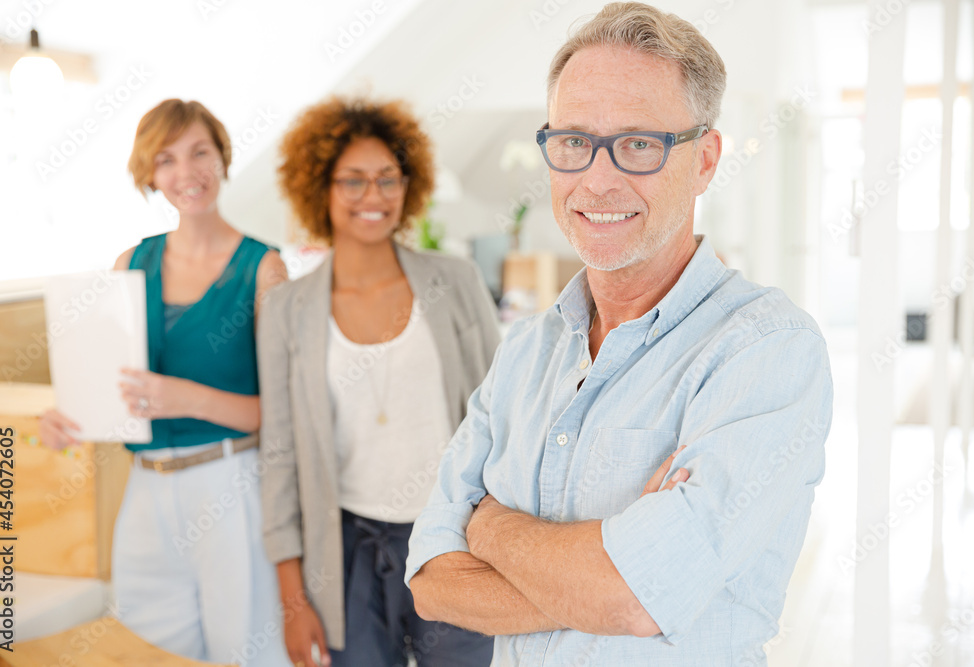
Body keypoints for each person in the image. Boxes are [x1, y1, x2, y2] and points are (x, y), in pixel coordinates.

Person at [405, 3, 834, 666]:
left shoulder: (767, 350)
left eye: (638, 143)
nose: (598, 180)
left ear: (705, 159)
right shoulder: (525, 351)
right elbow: (433, 584)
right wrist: (610, 576)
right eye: (574, 141)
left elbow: (633, 598)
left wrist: (488, 526)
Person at [40, 99, 291, 666]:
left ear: (223, 157)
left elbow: (280, 413)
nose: (186, 172)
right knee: (148, 651)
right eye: (166, 159)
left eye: (200, 152)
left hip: (230, 486)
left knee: (244, 652)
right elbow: (113, 391)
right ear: (150, 174)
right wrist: (68, 418)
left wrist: (186, 398)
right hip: (146, 491)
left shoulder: (264, 268)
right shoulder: (131, 263)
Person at [258, 97, 498, 667]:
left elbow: (504, 417)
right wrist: (293, 599)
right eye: (353, 180)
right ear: (320, 188)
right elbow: (279, 454)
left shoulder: (456, 282)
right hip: (346, 555)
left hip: (455, 539)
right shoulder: (288, 309)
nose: (374, 195)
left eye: (388, 178)